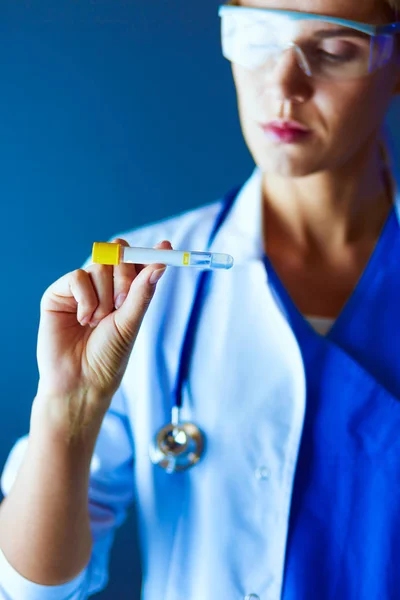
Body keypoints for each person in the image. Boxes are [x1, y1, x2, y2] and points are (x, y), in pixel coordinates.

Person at [1, 0, 400, 597]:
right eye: (258, 37)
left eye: (335, 49)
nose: (283, 84)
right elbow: (34, 590)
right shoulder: (133, 285)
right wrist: (67, 414)